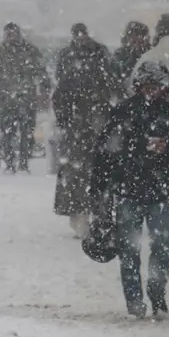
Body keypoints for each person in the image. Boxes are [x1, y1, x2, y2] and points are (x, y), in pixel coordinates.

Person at [90, 62, 169, 319]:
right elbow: (106, 152)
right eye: (146, 86)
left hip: (162, 190)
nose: (151, 92)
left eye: (155, 86)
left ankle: (156, 295)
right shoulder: (124, 112)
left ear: (165, 87)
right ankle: (135, 302)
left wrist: (168, 148)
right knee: (130, 250)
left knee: (160, 247)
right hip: (132, 190)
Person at [52, 23, 114, 237]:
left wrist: (66, 120)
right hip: (93, 128)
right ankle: (96, 217)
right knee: (96, 173)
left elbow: (59, 95)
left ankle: (82, 217)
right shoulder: (101, 64)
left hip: (80, 130)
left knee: (79, 174)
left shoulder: (73, 68)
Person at [0, 23, 50, 172]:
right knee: (7, 133)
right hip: (6, 99)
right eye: (8, 34)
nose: (11, 37)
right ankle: (9, 163)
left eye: (13, 33)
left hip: (27, 99)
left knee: (27, 132)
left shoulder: (31, 51)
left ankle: (24, 163)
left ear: (18, 34)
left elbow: (41, 70)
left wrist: (44, 89)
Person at [111, 21, 151, 101]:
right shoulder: (120, 55)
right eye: (133, 40)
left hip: (149, 98)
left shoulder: (152, 54)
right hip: (126, 99)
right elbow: (113, 77)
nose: (137, 44)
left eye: (141, 40)